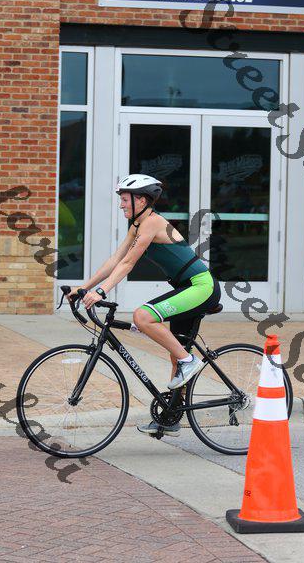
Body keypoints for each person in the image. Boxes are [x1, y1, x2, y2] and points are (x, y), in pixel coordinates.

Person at [67, 173, 221, 437]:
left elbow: (128, 263)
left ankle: (189, 361)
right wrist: (84, 287)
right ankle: (171, 417)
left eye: (124, 199)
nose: (121, 205)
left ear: (141, 200)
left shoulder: (153, 222)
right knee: (175, 351)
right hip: (186, 288)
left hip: (201, 286)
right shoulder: (137, 226)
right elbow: (116, 259)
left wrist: (101, 291)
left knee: (143, 317)